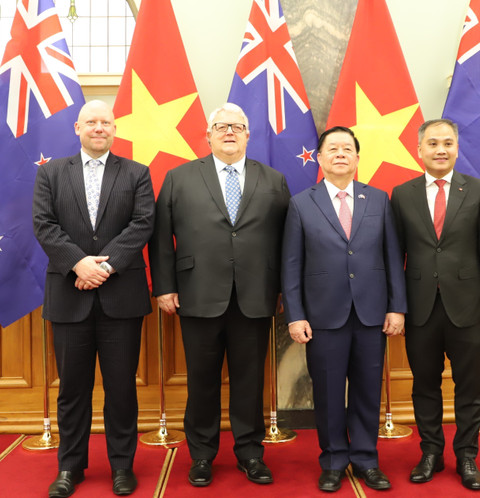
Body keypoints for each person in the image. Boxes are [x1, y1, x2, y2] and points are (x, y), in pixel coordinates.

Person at [149, 103, 291, 487]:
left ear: (248, 135)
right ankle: (202, 456)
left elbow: (287, 242)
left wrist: (283, 291)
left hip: (256, 296)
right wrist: (164, 286)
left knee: (249, 381)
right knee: (202, 381)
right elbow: (161, 237)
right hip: (196, 295)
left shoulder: (274, 180)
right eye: (221, 126)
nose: (230, 132)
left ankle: (250, 453)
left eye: (237, 126)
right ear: (207, 135)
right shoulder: (179, 178)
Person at [33, 99, 154, 498]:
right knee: (72, 389)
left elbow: (142, 224)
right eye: (91, 122)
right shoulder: (51, 173)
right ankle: (70, 467)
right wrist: (79, 265)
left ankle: (122, 467)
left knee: (122, 388)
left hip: (122, 298)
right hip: (70, 297)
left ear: (115, 129)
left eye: (106, 122)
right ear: (77, 128)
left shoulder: (137, 173)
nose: (99, 128)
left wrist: (102, 267)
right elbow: (43, 224)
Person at [281, 126, 407, 492]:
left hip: (371, 314)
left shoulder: (379, 200)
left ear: (356, 158)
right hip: (322, 317)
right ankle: (334, 459)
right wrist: (295, 314)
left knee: (369, 390)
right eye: (332, 149)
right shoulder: (301, 203)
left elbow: (392, 256)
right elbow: (291, 264)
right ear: (319, 158)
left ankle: (367, 458)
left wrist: (396, 308)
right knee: (329, 392)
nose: (340, 154)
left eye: (347, 148)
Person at [390, 118, 480, 491]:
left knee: (468, 385)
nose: (441, 149)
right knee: (424, 385)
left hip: (469, 307)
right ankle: (431, 453)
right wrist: (397, 305)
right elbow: (395, 255)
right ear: (419, 149)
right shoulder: (402, 194)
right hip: (420, 307)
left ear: (457, 148)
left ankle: (467, 455)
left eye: (448, 143)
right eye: (433, 143)